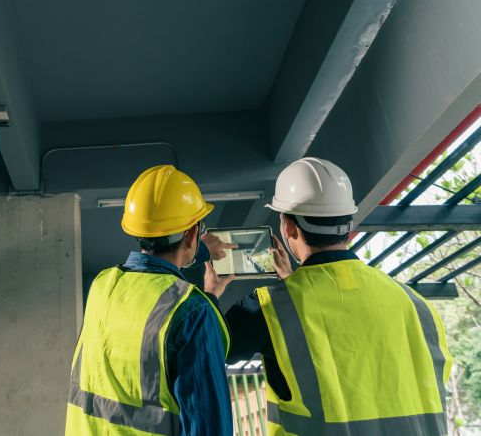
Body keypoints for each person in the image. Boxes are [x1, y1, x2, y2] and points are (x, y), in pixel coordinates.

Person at [212, 157, 452, 435]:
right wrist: (294, 284)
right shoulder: (414, 303)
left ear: (288, 227)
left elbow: (202, 352)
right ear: (349, 227)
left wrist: (211, 291)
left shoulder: (270, 306)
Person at [64, 165, 236, 436]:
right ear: (191, 233)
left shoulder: (103, 285)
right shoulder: (194, 311)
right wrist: (208, 294)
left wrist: (198, 250)